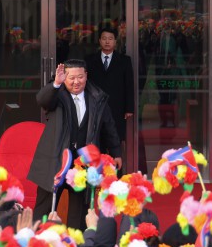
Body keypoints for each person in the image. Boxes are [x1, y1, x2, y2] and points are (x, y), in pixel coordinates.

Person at [28, 59, 122, 230]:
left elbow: (109, 126)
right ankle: (37, 242)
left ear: (86, 75)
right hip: (55, 160)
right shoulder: (57, 95)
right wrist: (56, 84)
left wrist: (116, 152)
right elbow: (42, 100)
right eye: (71, 78)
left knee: (78, 216)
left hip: (82, 164)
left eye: (80, 77)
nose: (76, 82)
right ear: (64, 77)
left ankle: (77, 244)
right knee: (44, 211)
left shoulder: (97, 97)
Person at [85, 26, 134, 145]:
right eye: (104, 38)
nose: (107, 42)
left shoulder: (125, 61)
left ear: (115, 41)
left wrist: (129, 108)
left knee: (115, 140)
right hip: (95, 105)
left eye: (110, 39)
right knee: (97, 140)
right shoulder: (90, 60)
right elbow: (86, 83)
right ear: (99, 41)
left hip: (117, 105)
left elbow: (129, 85)